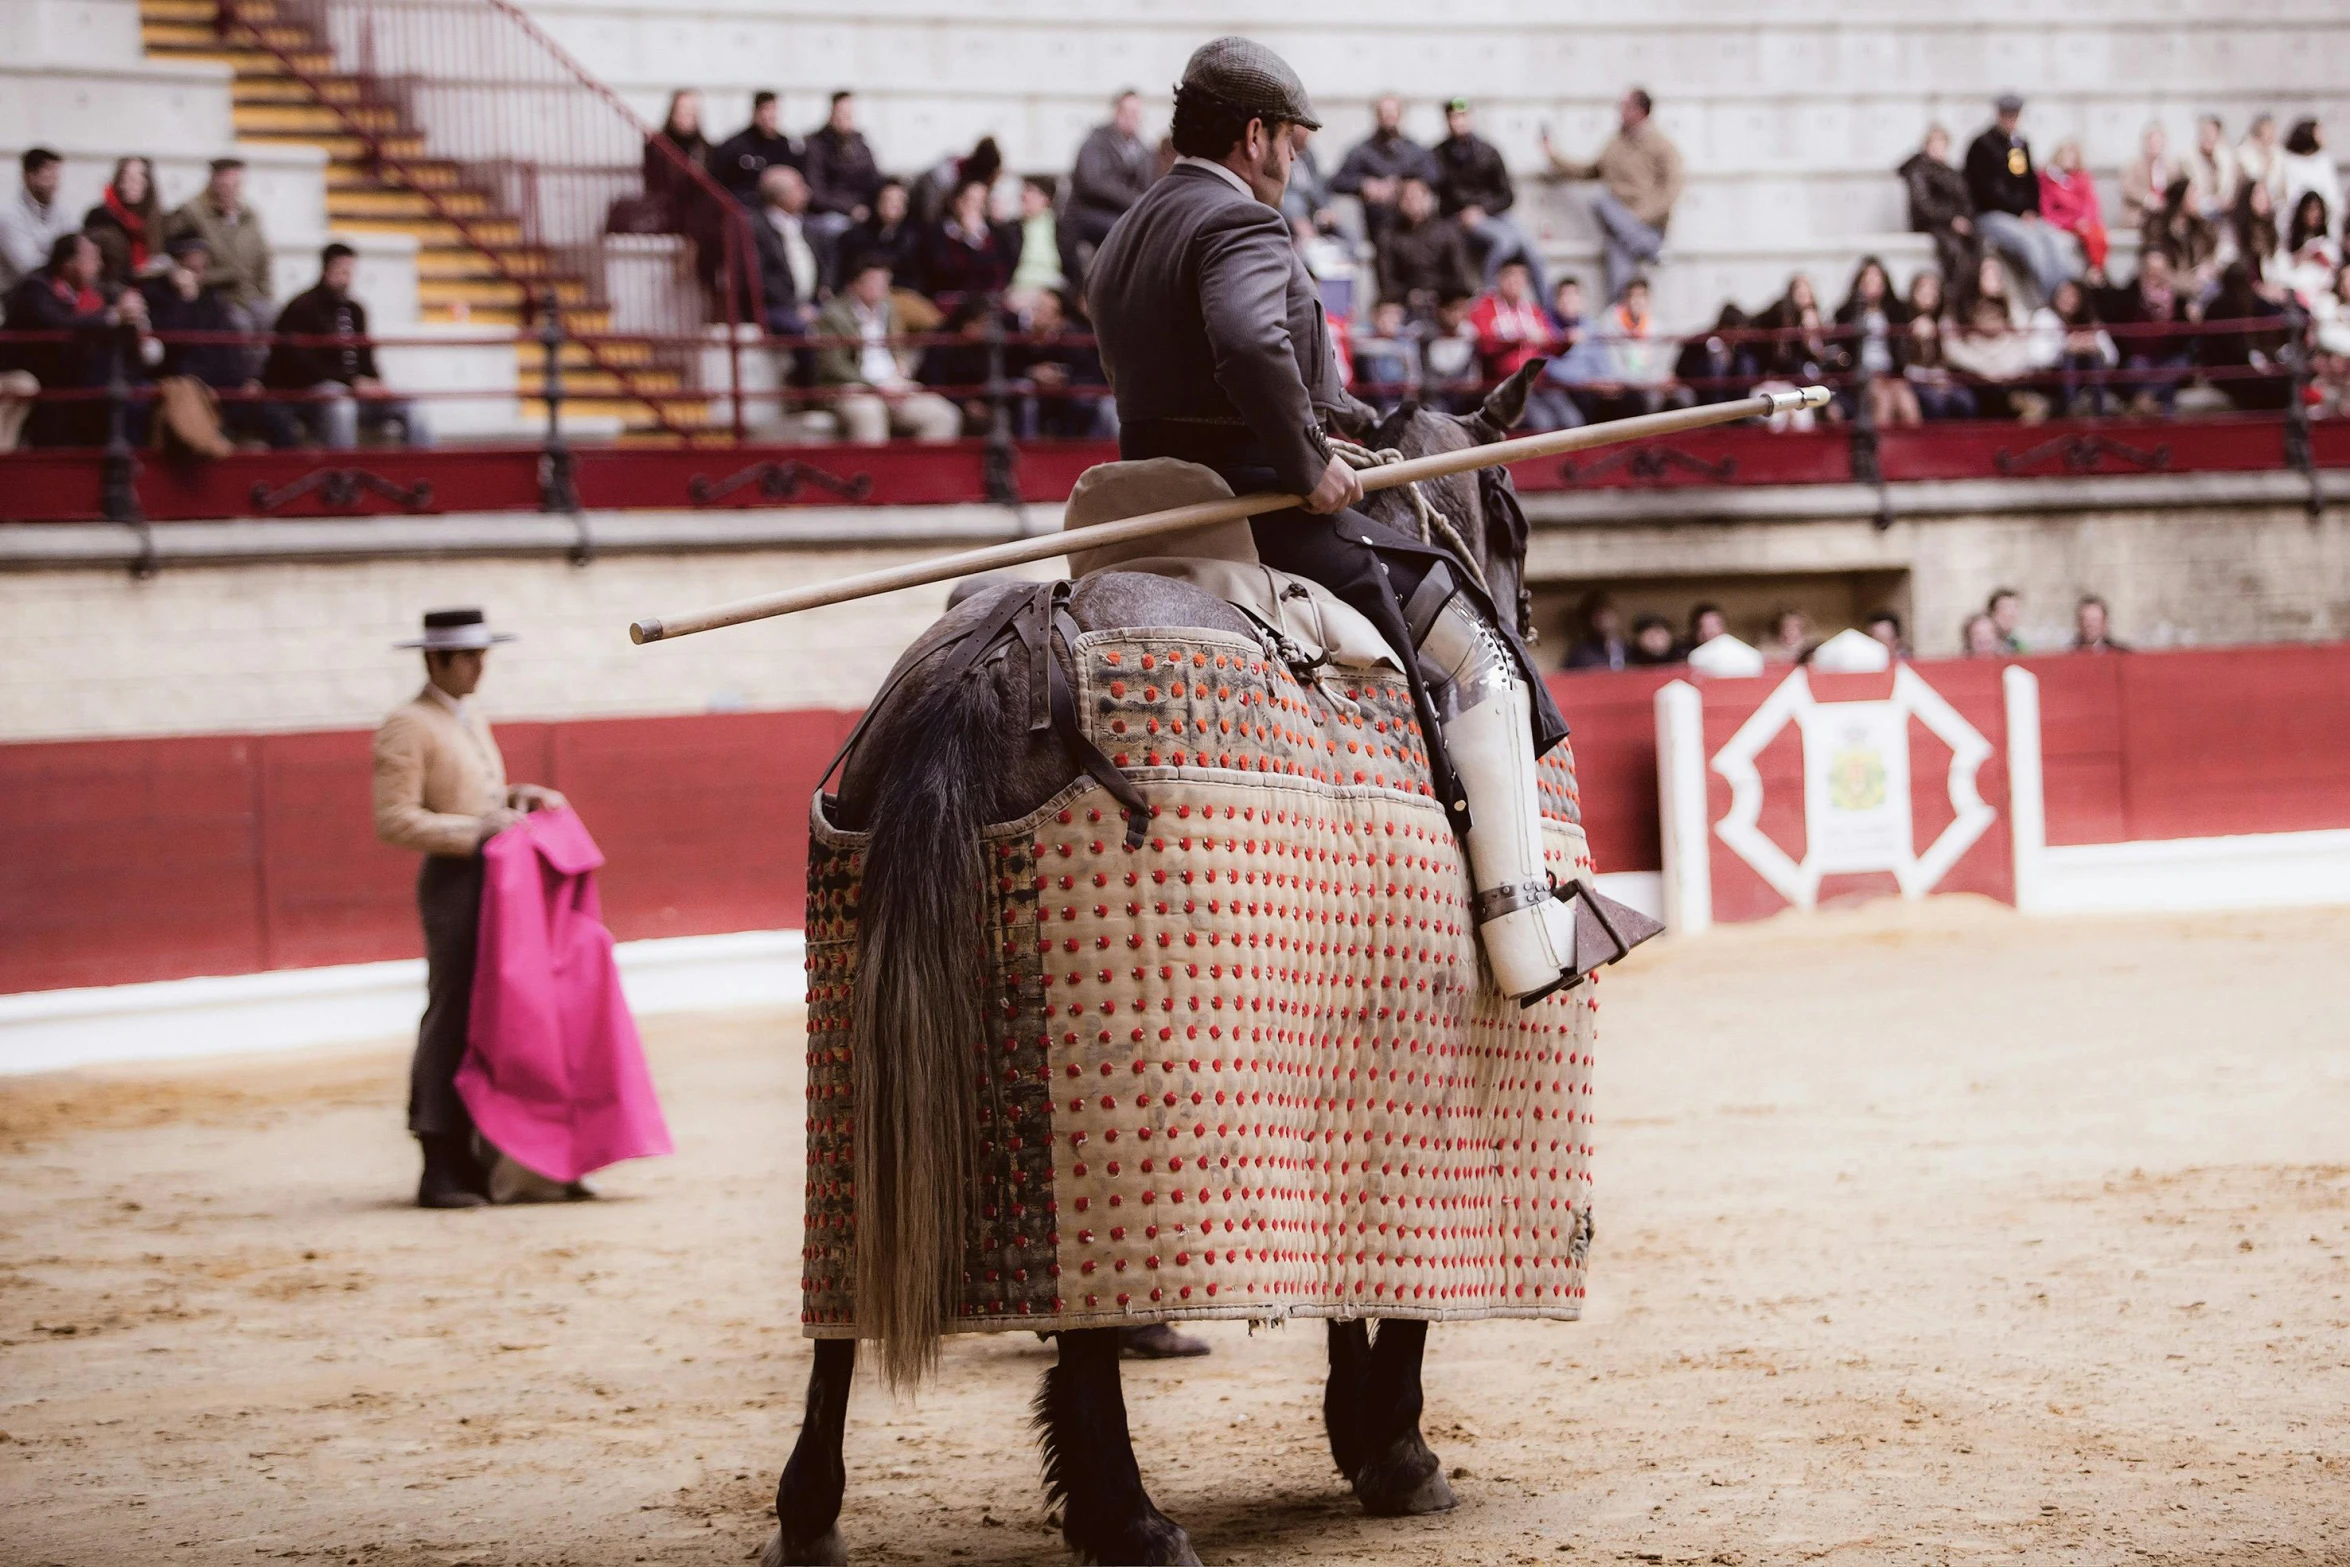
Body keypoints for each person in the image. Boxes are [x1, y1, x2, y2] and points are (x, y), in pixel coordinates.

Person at [1085, 36, 1600, 1006]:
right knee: (1481, 659)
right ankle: (1526, 929)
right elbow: (1244, 342)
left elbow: (1197, 371)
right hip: (1264, 508)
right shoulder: (1238, 223)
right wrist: (1305, 459)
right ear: (1255, 136)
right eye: (1292, 140)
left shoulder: (1126, 232)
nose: (1296, 160)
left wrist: (1346, 426)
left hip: (1154, 500)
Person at [371, 607, 568, 1208]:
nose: (482, 666)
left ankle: (484, 1158)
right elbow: (395, 820)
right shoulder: (408, 724)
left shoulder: (465, 717)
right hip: (454, 884)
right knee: (453, 1013)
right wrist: (479, 830)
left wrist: (516, 797)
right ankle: (439, 1162)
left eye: (484, 654)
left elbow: (472, 796)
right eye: (470, 656)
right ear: (438, 660)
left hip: (495, 880)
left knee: (494, 1015)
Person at [263, 243, 431, 449]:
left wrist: (376, 383)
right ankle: (343, 477)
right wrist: (351, 381)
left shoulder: (356, 309)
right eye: (341, 270)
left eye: (350, 271)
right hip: (313, 393)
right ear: (326, 269)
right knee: (341, 405)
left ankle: (424, 476)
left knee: (413, 406)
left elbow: (365, 355)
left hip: (354, 391)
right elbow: (300, 364)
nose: (346, 277)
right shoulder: (302, 307)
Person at [141, 232, 293, 450]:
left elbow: (229, 345)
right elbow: (173, 347)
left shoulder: (212, 299)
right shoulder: (158, 298)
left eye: (202, 257)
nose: (199, 263)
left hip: (226, 388)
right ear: (177, 263)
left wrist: (247, 379)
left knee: (277, 417)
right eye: (191, 258)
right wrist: (186, 299)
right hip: (189, 390)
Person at [1541, 87, 1685, 310]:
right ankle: (1650, 251)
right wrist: (1554, 157)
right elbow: (1591, 170)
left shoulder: (1662, 146)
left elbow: (1672, 189)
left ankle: (1646, 244)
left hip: (1647, 226)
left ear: (1640, 111)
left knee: (1606, 211)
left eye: (1625, 107)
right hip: (1622, 228)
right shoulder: (1615, 143)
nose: (1620, 112)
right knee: (1601, 201)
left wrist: (1637, 217)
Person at [0, 231, 147, 448]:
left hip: (69, 378)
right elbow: (60, 322)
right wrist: (115, 315)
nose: (99, 264)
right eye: (92, 258)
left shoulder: (94, 293)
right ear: (68, 264)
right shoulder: (36, 288)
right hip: (34, 374)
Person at [814, 256, 961, 443]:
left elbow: (897, 346)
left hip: (892, 385)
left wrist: (900, 367)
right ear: (854, 285)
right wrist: (876, 387)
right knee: (870, 414)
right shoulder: (832, 316)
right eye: (874, 281)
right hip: (852, 386)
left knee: (943, 414)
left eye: (885, 282)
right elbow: (834, 367)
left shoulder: (889, 308)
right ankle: (872, 472)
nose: (881, 287)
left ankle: (921, 472)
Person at [1963, 93, 2072, 301]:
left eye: (2014, 115)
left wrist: (2030, 210)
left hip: (2023, 216)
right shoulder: (1981, 145)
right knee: (2029, 242)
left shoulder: (2021, 144)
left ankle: (2068, 296)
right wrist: (2017, 212)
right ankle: (2053, 299)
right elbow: (1984, 190)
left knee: (2054, 240)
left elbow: (2030, 182)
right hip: (1992, 215)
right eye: (2006, 115)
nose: (2010, 120)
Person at [1434, 98, 1546, 298]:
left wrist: (1483, 209)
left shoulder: (1488, 151)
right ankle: (1489, 294)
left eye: (1462, 116)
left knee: (1531, 248)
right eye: (1454, 117)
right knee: (1505, 241)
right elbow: (1442, 195)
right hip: (1459, 218)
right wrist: (1464, 212)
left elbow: (1507, 195)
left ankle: (1546, 308)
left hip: (1491, 213)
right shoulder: (1438, 154)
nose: (1458, 121)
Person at [164, 158, 272, 337]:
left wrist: (265, 294)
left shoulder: (250, 216)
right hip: (216, 296)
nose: (230, 189)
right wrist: (197, 278)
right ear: (214, 181)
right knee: (239, 327)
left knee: (272, 320)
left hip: (250, 294)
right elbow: (171, 250)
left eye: (236, 184)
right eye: (225, 183)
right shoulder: (192, 213)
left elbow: (264, 258)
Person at [1064, 90, 1154, 286]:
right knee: (1121, 230)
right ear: (1116, 112)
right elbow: (1092, 182)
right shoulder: (1096, 142)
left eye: (1136, 114)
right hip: (1091, 214)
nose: (1132, 118)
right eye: (1127, 112)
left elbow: (1150, 184)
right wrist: (1133, 199)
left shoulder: (1143, 149)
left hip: (1126, 214)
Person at [1332, 94, 1440, 248]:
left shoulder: (1415, 150)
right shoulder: (1362, 152)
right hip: (1379, 222)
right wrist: (1364, 185)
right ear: (1376, 116)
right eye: (1383, 113)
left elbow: (1434, 176)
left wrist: (1404, 186)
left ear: (1400, 115)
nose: (1388, 118)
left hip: (1414, 222)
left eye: (1392, 113)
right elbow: (1338, 181)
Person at [2101, 246, 2198, 415]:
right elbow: (2111, 320)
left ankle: (2144, 398)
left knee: (2181, 364)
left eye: (2160, 270)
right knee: (2138, 371)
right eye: (2151, 270)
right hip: (2139, 359)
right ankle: (2157, 408)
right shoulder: (2128, 295)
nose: (2156, 275)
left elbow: (2187, 340)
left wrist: (2191, 320)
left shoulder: (2180, 299)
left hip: (2168, 359)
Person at [1010, 286, 1112, 439]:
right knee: (1023, 393)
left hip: (1068, 393)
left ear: (1059, 319)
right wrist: (1032, 373)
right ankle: (1028, 449)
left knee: (1088, 401)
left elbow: (1089, 372)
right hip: (1033, 391)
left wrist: (1062, 376)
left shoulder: (1074, 339)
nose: (1037, 314)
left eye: (1045, 310)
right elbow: (1006, 367)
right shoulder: (1015, 334)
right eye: (1036, 308)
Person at [1833, 255, 1921, 426]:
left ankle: (1915, 450)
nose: (1872, 282)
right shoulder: (1845, 313)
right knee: (1882, 400)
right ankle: (1879, 450)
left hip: (1892, 374)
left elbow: (1903, 346)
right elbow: (1841, 348)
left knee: (1907, 403)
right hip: (1863, 374)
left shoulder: (1897, 311)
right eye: (1867, 277)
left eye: (1877, 277)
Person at [1374, 175, 1476, 314]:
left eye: (1417, 197)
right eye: (1407, 198)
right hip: (1404, 302)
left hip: (1444, 302)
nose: (1412, 203)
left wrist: (1439, 295)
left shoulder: (1448, 231)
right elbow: (1386, 279)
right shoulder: (1389, 235)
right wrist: (1408, 295)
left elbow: (1460, 276)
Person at [1898, 125, 1979, 286]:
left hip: (1954, 223)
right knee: (1953, 250)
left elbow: (1966, 200)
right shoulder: (1918, 170)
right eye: (1934, 143)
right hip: (1932, 224)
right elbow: (1924, 205)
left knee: (1978, 243)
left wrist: (1964, 219)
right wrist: (1951, 219)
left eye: (1942, 143)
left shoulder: (1951, 172)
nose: (1938, 148)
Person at [751, 165, 826, 336]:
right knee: (801, 330)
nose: (807, 191)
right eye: (800, 186)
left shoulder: (809, 226)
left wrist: (824, 288)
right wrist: (795, 307)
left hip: (812, 304)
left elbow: (826, 263)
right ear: (781, 195)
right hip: (776, 307)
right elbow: (762, 277)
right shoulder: (756, 228)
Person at [917, 177, 1021, 300]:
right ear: (955, 201)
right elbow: (943, 272)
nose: (974, 207)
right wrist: (966, 240)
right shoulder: (936, 234)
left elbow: (998, 274)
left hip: (984, 301)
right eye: (970, 200)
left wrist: (976, 242)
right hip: (947, 299)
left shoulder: (996, 235)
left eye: (981, 201)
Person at [802, 90, 882, 247]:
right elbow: (816, 192)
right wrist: (850, 209)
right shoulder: (815, 145)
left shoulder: (860, 146)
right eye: (841, 113)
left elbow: (875, 181)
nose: (845, 119)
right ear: (832, 112)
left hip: (862, 210)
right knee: (837, 228)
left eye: (849, 114)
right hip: (829, 213)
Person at [1902, 269, 1975, 420]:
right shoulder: (1902, 321)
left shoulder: (1945, 322)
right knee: (1936, 403)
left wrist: (1941, 336)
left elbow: (1950, 360)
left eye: (1934, 289)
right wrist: (1915, 338)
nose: (1930, 294)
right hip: (1915, 382)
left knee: (1965, 400)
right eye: (1924, 288)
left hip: (1943, 382)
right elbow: (1902, 365)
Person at [82, 156, 164, 290]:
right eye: (127, 176)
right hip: (113, 292)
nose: (133, 182)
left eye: (140, 176)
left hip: (148, 291)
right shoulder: (100, 219)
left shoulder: (155, 221)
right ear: (119, 181)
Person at [1, 148, 74, 295]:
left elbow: (74, 249)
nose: (54, 183)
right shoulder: (8, 214)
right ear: (30, 176)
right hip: (17, 295)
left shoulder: (61, 211)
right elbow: (28, 267)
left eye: (56, 176)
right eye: (49, 175)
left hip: (55, 291)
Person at [709, 91, 800, 208]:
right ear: (755, 112)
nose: (770, 115)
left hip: (778, 208)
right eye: (765, 109)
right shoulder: (735, 146)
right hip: (743, 206)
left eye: (773, 109)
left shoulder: (785, 145)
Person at [2038, 139, 2109, 273]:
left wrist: (2083, 221)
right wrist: (2071, 223)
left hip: (2083, 224)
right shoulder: (2047, 179)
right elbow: (2047, 211)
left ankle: (2097, 270)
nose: (2068, 159)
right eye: (2065, 155)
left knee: (2097, 235)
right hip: (2061, 225)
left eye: (2072, 156)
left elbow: (2091, 203)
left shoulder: (2083, 178)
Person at [837, 177, 918, 293]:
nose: (894, 205)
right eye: (888, 200)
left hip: (900, 296)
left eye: (900, 201)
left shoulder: (914, 238)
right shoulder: (854, 238)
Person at [1674, 301, 1757, 409]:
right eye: (1734, 330)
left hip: (1732, 397)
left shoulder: (1742, 349)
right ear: (1724, 327)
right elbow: (1681, 370)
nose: (1738, 335)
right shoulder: (1699, 343)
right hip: (1703, 396)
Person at [1004, 175, 1067, 308]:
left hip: (1054, 287)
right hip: (1021, 287)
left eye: (1030, 191)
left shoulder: (1061, 228)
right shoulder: (1011, 229)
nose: (1024, 196)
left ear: (1045, 198)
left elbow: (1072, 265)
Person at [2278, 120, 2341, 231]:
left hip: (2325, 218)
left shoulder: (2324, 160)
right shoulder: (2288, 162)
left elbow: (2333, 193)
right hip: (2298, 219)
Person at [2120, 122, 2183, 232]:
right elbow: (2127, 188)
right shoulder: (2133, 166)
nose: (2155, 145)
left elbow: (2178, 190)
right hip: (2139, 212)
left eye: (2158, 142)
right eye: (2152, 142)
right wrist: (2148, 199)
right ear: (2145, 143)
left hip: (2165, 214)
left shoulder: (2172, 167)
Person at [2186, 115, 2239, 226]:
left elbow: (2230, 189)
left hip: (2223, 210)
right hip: (2199, 208)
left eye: (2211, 133)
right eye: (2204, 133)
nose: (2207, 137)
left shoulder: (2227, 158)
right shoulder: (2189, 158)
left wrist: (2223, 200)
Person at [1564, 592, 1629, 670]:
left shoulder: (1629, 650)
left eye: (1607, 613)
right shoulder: (1581, 654)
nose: (1604, 619)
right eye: (1597, 615)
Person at [2235, 114, 2282, 204]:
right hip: (2250, 201)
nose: (2271, 133)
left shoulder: (2278, 153)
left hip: (2274, 201)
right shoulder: (2243, 153)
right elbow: (2251, 179)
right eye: (2267, 129)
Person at [1986, 588, 2025, 653]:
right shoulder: (1983, 644)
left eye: (2015, 607)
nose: (2011, 613)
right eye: (2005, 607)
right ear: (1992, 612)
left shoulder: (2017, 645)